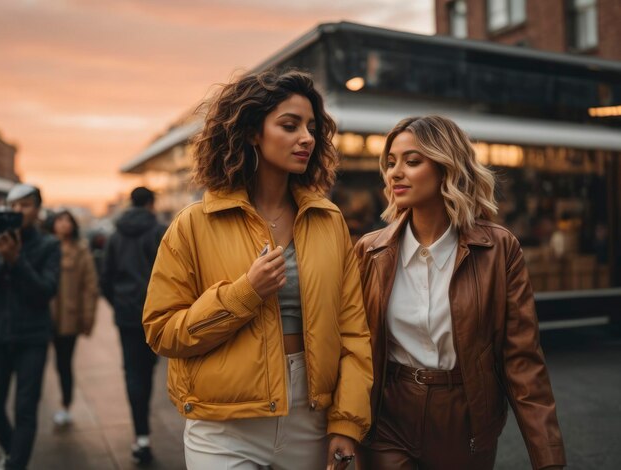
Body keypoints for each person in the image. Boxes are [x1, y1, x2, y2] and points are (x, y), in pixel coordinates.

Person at [142, 69, 373, 470]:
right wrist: (244, 293)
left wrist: (347, 423)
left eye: (312, 128)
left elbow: (353, 331)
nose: (307, 137)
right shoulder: (193, 224)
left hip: (309, 417)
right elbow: (162, 331)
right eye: (290, 125)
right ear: (252, 132)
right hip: (224, 427)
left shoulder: (328, 221)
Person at [354, 116, 566, 470]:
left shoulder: (499, 249)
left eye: (412, 161)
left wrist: (548, 457)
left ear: (446, 167)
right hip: (388, 417)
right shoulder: (369, 251)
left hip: (464, 421)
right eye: (390, 162)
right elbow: (352, 347)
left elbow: (522, 359)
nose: (395, 173)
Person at [0, 184, 61, 470]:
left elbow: (46, 291)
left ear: (37, 210)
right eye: (13, 206)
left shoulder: (49, 245)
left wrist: (16, 260)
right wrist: (3, 259)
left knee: (25, 408)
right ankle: (14, 455)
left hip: (32, 337)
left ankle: (15, 464)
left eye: (24, 206)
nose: (17, 212)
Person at [101, 186, 166, 465]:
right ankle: (144, 431)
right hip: (156, 312)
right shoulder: (159, 231)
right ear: (151, 203)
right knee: (148, 368)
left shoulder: (116, 236)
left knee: (131, 371)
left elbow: (105, 277)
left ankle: (141, 436)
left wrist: (119, 303)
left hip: (127, 313)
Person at [48, 209, 99, 427]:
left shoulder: (81, 250)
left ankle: (65, 404)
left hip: (68, 317)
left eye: (67, 221)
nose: (63, 225)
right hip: (41, 316)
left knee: (63, 363)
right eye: (59, 220)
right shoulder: (44, 247)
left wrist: (87, 318)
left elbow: (90, 287)